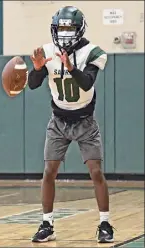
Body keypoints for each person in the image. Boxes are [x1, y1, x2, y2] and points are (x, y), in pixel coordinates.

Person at [28, 6, 114, 243]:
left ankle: (105, 223)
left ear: (80, 29)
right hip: (58, 120)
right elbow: (33, 84)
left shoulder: (93, 52)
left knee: (96, 171)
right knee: (49, 171)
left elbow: (86, 83)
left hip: (85, 120)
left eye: (70, 28)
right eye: (62, 28)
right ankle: (47, 223)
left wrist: (70, 68)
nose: (65, 33)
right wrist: (36, 70)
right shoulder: (47, 51)